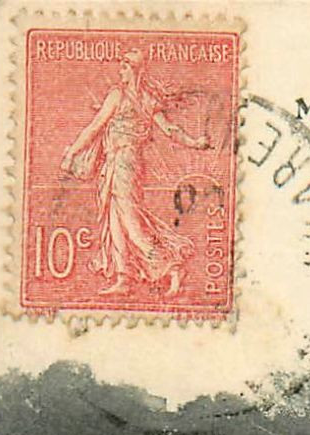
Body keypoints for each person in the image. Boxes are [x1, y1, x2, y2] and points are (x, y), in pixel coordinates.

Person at [58, 49, 212, 296]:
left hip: (123, 162)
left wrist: (71, 153)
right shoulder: (147, 99)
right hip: (122, 162)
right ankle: (124, 277)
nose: (121, 70)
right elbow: (170, 129)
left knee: (130, 220)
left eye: (125, 66)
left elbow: (94, 128)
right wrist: (194, 142)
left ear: (134, 69)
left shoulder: (118, 96)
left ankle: (170, 266)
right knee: (115, 219)